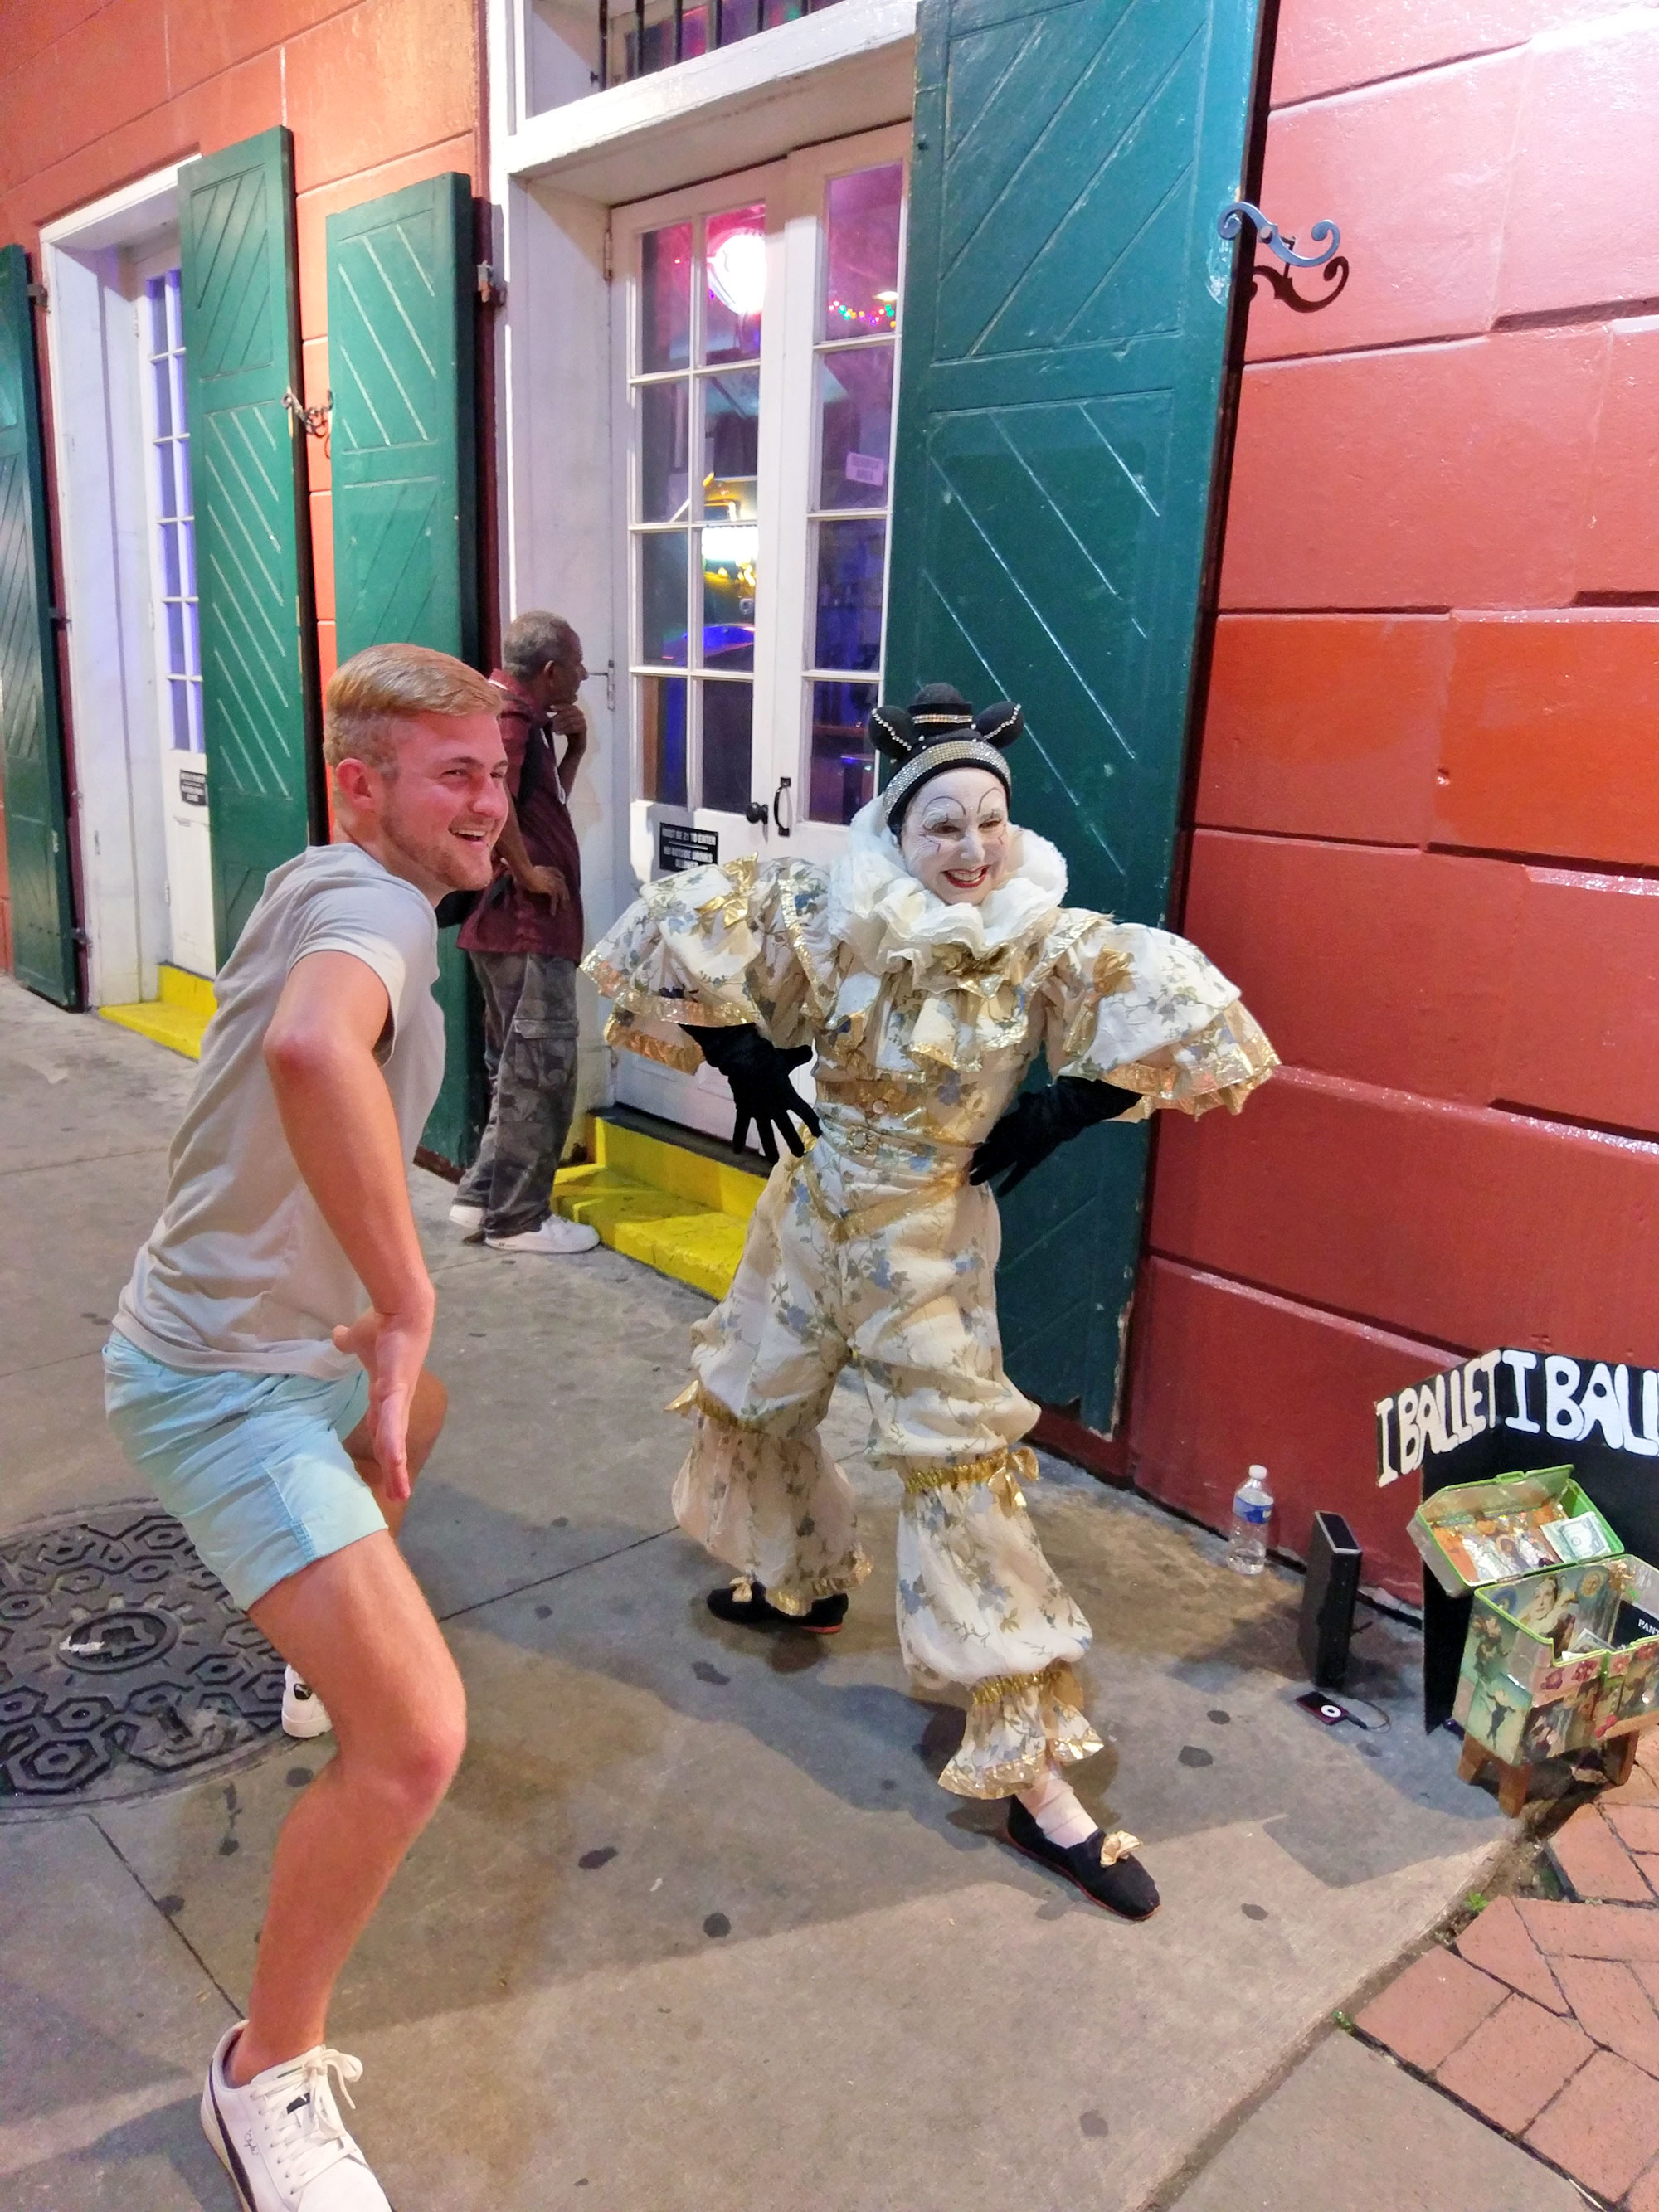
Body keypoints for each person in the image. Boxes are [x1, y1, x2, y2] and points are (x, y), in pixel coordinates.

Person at [584, 683, 1277, 1919]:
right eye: (941, 825)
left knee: (960, 1475)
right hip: (805, 1211)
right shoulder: (833, 912)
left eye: (988, 823)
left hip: (923, 1240)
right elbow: (676, 936)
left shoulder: (1039, 939)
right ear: (897, 831)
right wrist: (738, 1038)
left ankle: (1033, 1777)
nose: (969, 850)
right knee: (755, 1392)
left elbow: (1178, 1012)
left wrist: (1071, 1104)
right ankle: (801, 1577)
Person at [103, 643, 507, 2211]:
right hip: (224, 1375)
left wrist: (390, 1338)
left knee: (421, 1421)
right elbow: (305, 1045)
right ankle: (260, 2072)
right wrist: (406, 1294)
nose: (489, 799)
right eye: (453, 772)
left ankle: (308, 1641)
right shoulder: (380, 908)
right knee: (414, 1741)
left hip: (279, 1343)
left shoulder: (317, 875)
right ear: (365, 785)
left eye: (498, 766)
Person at [449, 610, 601, 1256]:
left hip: (509, 931)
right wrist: (529, 872)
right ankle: (519, 1218)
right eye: (577, 664)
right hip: (524, 928)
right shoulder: (510, 720)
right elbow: (495, 798)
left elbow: (541, 803)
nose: (585, 674)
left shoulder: (521, 721)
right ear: (549, 671)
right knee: (541, 1070)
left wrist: (576, 752)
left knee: (515, 1067)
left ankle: (480, 1194)